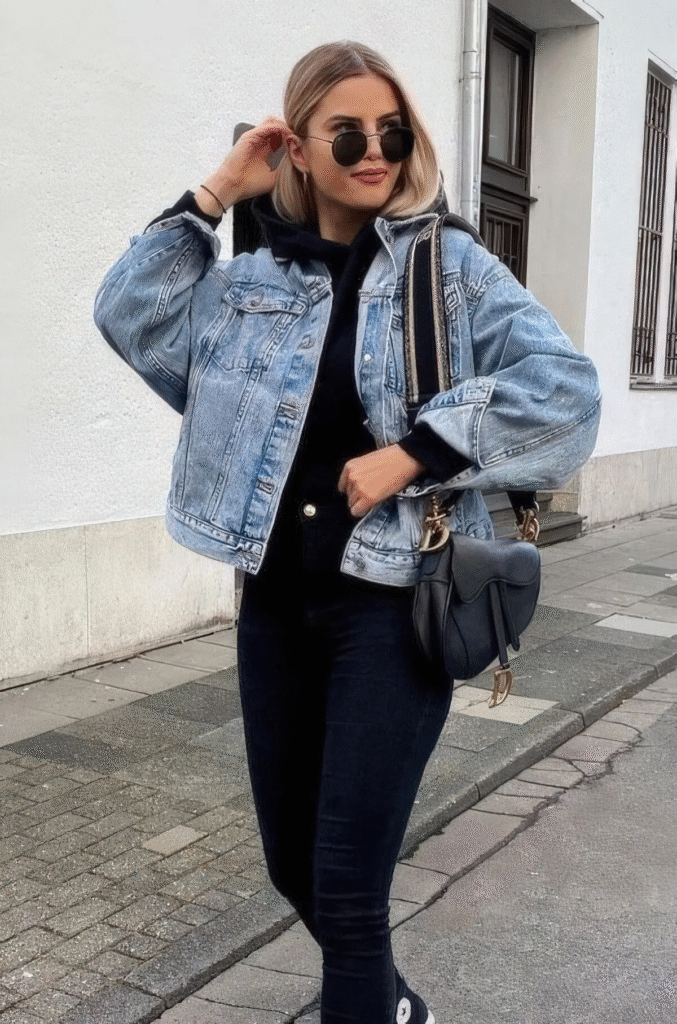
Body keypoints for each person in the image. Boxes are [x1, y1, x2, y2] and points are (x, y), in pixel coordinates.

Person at [94, 40, 601, 1024]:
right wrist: (214, 192)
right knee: (294, 863)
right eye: (349, 133)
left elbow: (565, 393)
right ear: (299, 144)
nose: (376, 150)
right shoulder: (251, 281)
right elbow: (130, 312)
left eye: (393, 131)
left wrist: (417, 450)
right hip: (274, 604)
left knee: (346, 884)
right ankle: (394, 1008)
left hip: (390, 606)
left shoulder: (443, 265)